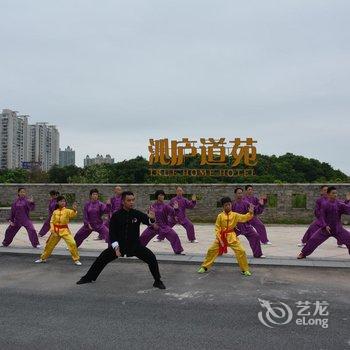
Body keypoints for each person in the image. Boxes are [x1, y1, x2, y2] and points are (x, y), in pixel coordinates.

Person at [76, 191, 166, 289]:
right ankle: (88, 278)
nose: (131, 202)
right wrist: (116, 247)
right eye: (129, 200)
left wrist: (152, 219)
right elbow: (112, 234)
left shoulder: (136, 214)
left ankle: (157, 281)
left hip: (135, 246)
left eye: (133, 200)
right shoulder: (116, 215)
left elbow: (148, 221)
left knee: (151, 258)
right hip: (119, 246)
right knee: (101, 259)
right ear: (123, 201)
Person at [197, 196, 254, 276]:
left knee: (241, 251)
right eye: (226, 205)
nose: (228, 206)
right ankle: (205, 267)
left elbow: (244, 218)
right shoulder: (220, 216)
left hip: (232, 237)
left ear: (231, 205)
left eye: (229, 204)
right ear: (223, 206)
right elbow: (217, 227)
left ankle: (245, 270)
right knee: (211, 250)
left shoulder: (235, 215)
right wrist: (219, 236)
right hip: (221, 237)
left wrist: (250, 213)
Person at [298, 187, 350, 259]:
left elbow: (348, 209)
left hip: (338, 229)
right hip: (325, 230)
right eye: (333, 193)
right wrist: (324, 225)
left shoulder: (339, 204)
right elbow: (321, 216)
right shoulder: (325, 204)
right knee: (313, 240)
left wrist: (348, 200)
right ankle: (303, 253)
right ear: (328, 194)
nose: (335, 195)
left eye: (336, 193)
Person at [35, 195, 82, 265]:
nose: (63, 202)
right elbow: (51, 221)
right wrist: (52, 230)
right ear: (58, 202)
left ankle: (76, 259)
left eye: (64, 201)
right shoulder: (55, 212)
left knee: (72, 243)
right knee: (49, 245)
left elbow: (72, 214)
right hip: (55, 231)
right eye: (61, 201)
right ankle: (43, 258)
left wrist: (74, 209)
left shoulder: (67, 211)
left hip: (65, 230)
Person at [139, 190, 184, 254]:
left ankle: (178, 251)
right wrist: (152, 224)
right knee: (143, 237)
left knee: (174, 235)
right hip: (153, 226)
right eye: (160, 195)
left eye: (163, 195)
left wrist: (176, 209)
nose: (162, 196)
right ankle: (137, 249)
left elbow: (174, 213)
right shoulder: (152, 206)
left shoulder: (166, 206)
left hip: (164, 227)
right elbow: (148, 218)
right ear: (157, 196)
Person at [232, 187, 264, 258]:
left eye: (241, 193)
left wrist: (260, 205)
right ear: (235, 194)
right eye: (238, 193)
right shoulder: (232, 204)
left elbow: (255, 209)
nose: (240, 195)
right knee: (225, 237)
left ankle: (258, 254)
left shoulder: (246, 203)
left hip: (245, 226)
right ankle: (218, 251)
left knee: (255, 236)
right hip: (235, 226)